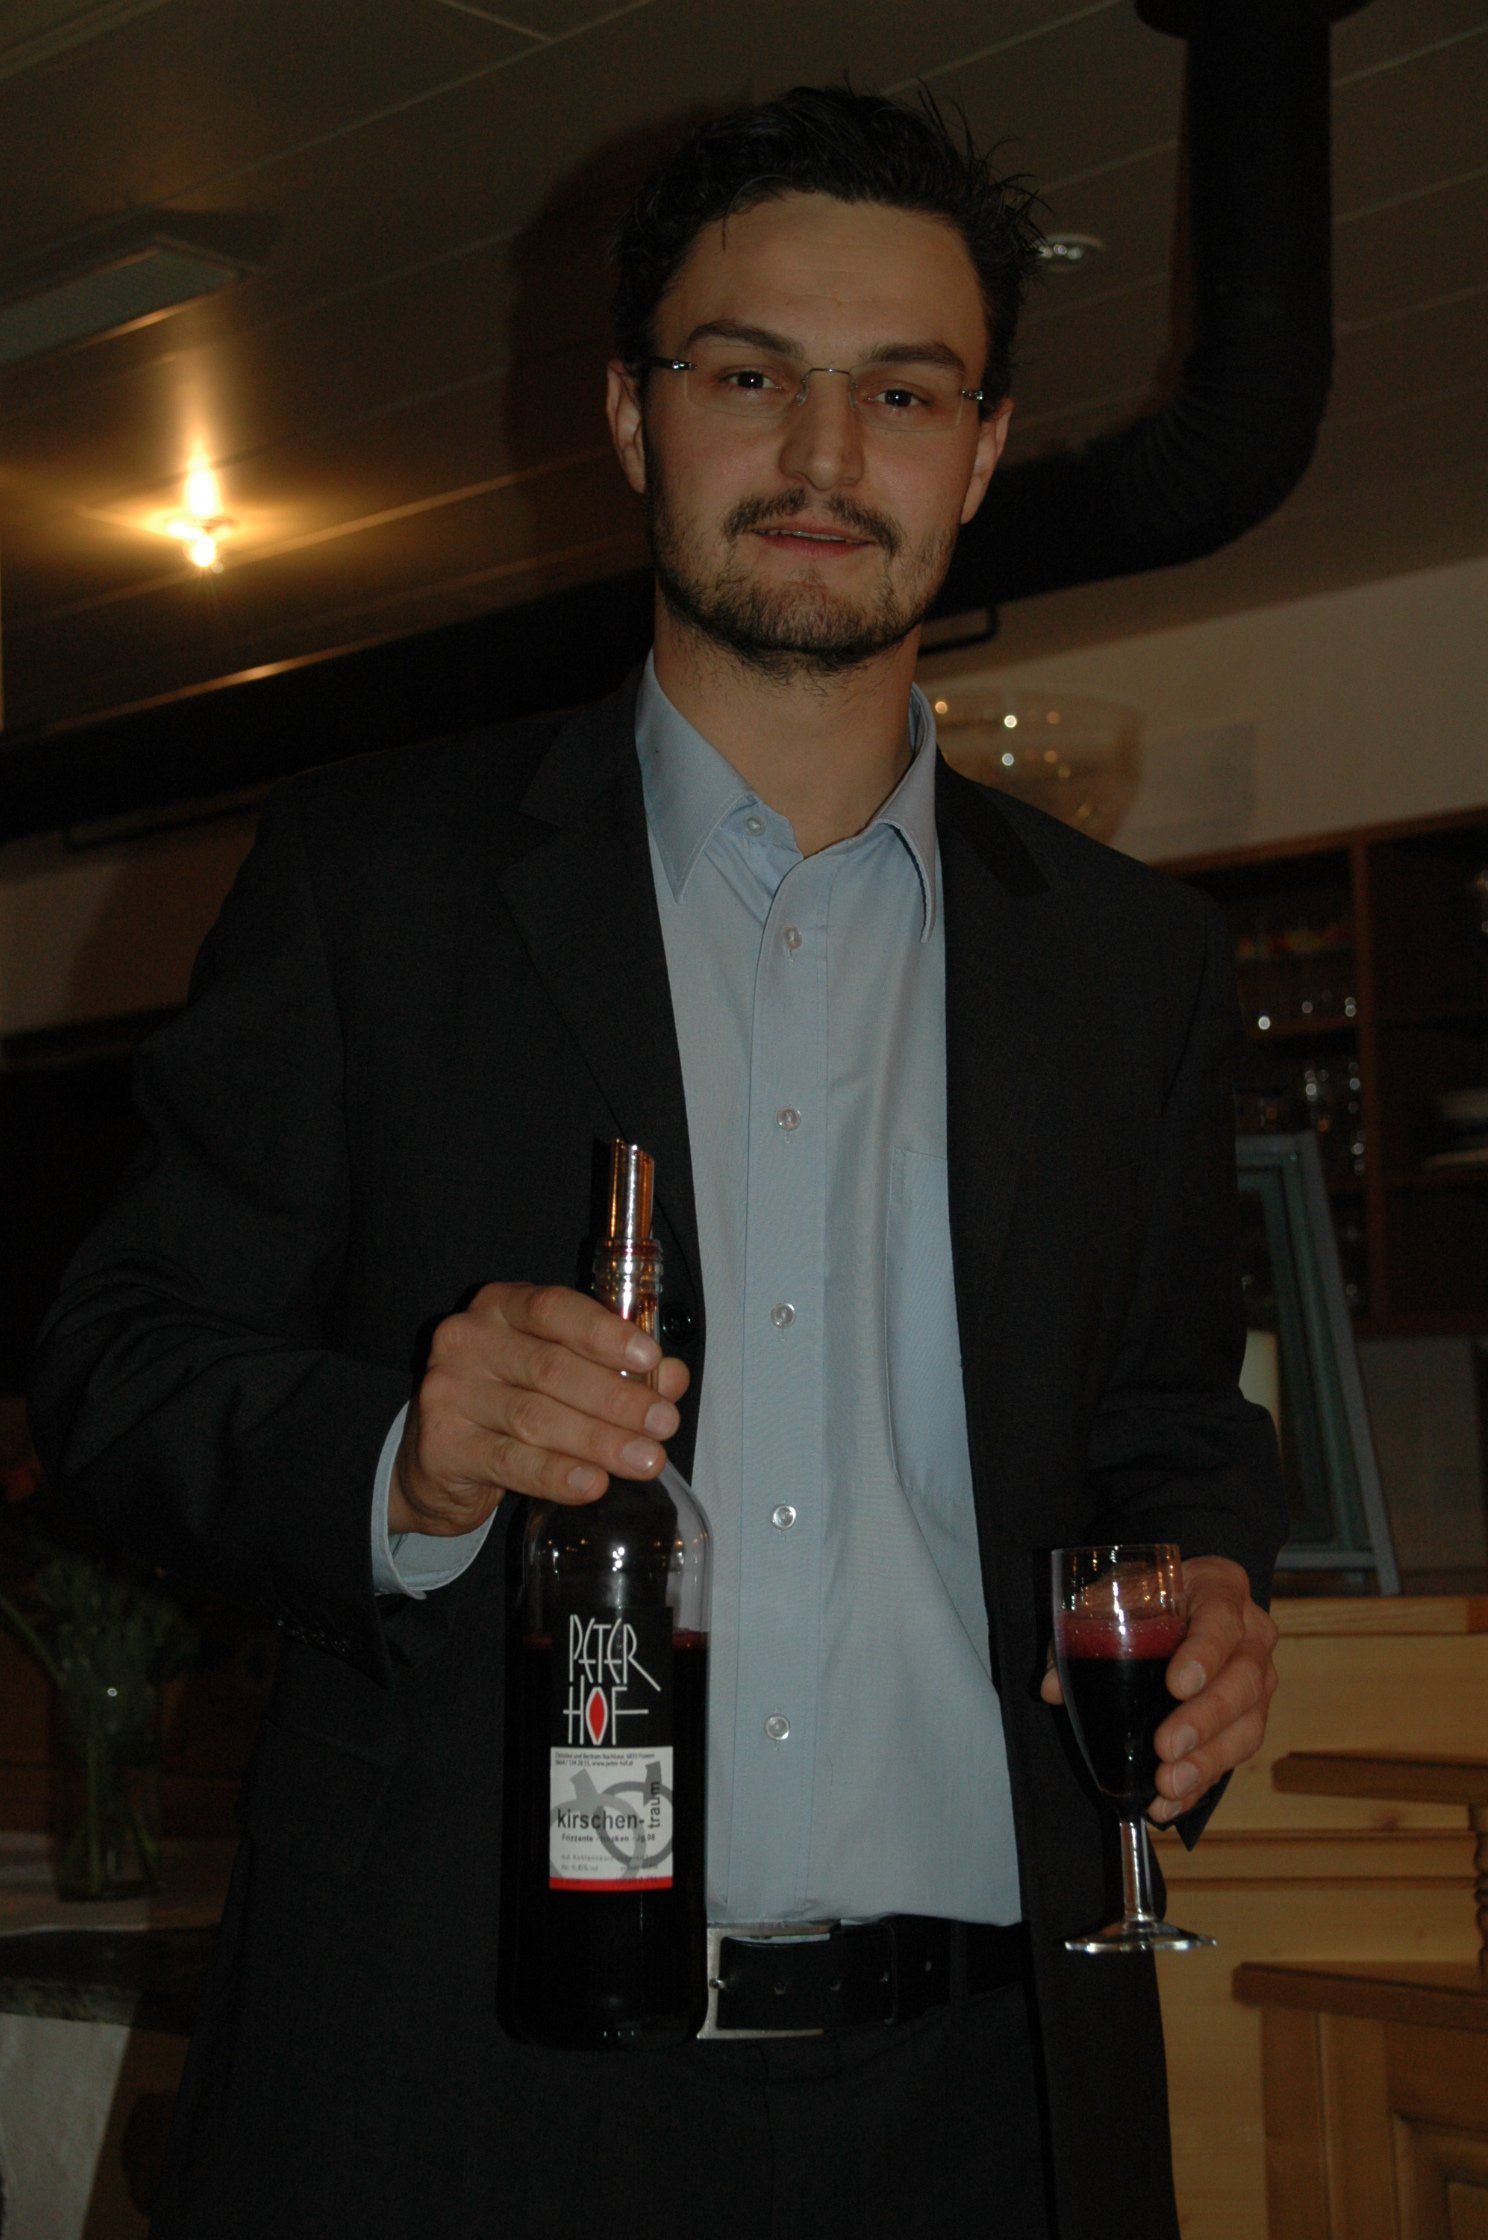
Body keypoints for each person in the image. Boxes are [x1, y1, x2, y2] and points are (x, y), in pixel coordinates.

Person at [30, 85, 1285, 2240]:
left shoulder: (1131, 969)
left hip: (986, 2108)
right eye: (749, 375)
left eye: (904, 391)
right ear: (632, 414)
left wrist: (1214, 1588)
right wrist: (406, 1458)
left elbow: (1170, 1426)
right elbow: (116, 1369)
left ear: (983, 449)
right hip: (462, 2100)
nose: (825, 455)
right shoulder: (371, 886)